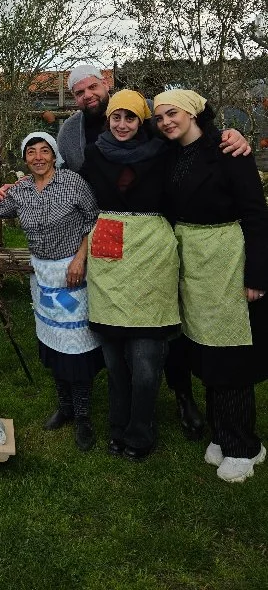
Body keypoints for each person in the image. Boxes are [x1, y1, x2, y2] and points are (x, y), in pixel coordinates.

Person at [56, 62, 250, 440]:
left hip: (155, 241)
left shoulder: (155, 123)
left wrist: (230, 134)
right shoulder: (74, 134)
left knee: (161, 327)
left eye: (91, 88)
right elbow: (66, 178)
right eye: (79, 93)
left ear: (106, 83)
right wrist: (23, 187)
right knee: (113, 334)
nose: (87, 97)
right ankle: (117, 414)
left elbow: (190, 137)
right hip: (110, 233)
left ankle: (182, 397)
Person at [0, 132, 102, 452]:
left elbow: (95, 220)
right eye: (31, 152)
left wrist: (81, 259)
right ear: (25, 159)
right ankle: (64, 407)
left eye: (44, 151)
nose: (38, 157)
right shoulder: (20, 190)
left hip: (72, 275)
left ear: (54, 155)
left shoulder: (73, 183)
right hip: (43, 277)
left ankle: (83, 417)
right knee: (53, 344)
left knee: (76, 347)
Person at [153, 90, 268, 483]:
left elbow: (256, 213)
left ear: (193, 112)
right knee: (203, 348)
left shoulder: (228, 149)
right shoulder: (170, 155)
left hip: (227, 259)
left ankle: (245, 447)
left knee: (230, 354)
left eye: (173, 113)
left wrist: (257, 275)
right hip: (192, 260)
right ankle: (222, 434)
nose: (166, 121)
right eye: (160, 117)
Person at [81, 90, 180, 460]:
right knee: (113, 357)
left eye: (131, 118)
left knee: (145, 357)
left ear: (143, 121)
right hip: (108, 257)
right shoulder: (94, 154)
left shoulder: (163, 152)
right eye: (116, 118)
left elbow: (201, 137)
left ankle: (141, 431)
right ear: (107, 119)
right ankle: (118, 426)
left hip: (152, 255)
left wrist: (229, 137)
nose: (122, 125)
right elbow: (64, 184)